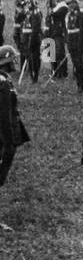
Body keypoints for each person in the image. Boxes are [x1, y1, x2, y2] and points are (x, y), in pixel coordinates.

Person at [0, 45, 29, 191]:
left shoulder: (5, 79)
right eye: (12, 59)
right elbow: (4, 115)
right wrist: (8, 140)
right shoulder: (3, 83)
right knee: (7, 154)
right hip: (3, 132)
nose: (14, 62)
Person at [65, 0, 83, 93]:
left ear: (76, 3)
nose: (70, 6)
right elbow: (68, 30)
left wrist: (80, 44)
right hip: (71, 43)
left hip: (79, 43)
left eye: (71, 3)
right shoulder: (69, 15)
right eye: (68, 4)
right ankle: (79, 85)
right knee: (76, 64)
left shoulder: (82, 14)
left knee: (81, 65)